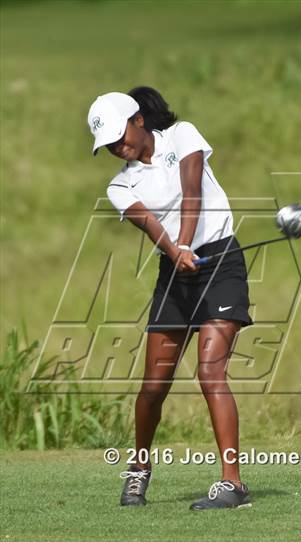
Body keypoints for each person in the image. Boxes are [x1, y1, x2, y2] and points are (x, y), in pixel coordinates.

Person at [87, 87, 253, 510]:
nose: (117, 148)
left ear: (138, 120)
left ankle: (232, 484)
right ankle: (139, 471)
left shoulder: (183, 135)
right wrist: (174, 249)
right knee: (154, 385)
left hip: (220, 263)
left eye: (120, 137)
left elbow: (192, 190)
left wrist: (184, 243)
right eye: (108, 146)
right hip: (175, 273)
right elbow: (149, 225)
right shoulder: (120, 186)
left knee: (210, 372)